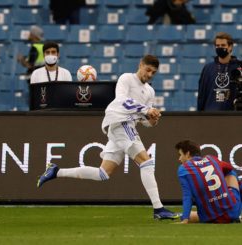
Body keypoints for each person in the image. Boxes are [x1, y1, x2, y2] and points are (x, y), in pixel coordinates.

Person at [37, 55, 179, 220]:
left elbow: (142, 120)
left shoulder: (149, 91)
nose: (149, 74)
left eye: (153, 73)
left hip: (127, 126)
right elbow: (122, 100)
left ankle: (56, 171)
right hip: (119, 121)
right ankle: (158, 209)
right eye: (147, 70)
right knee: (146, 162)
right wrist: (147, 111)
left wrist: (152, 121)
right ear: (140, 65)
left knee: (103, 173)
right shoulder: (126, 78)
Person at [175, 140, 241, 224]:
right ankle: (238, 213)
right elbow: (229, 168)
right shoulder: (212, 158)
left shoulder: (183, 168)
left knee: (188, 216)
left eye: (180, 155)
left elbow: (187, 195)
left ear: (187, 154)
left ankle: (189, 216)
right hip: (233, 212)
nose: (179, 159)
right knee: (232, 173)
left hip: (209, 217)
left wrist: (185, 219)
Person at [197, 32, 240, 111]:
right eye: (217, 46)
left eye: (223, 45)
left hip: (233, 117)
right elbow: (202, 95)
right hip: (211, 116)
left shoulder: (239, 67)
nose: (220, 48)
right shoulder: (208, 68)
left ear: (230, 47)